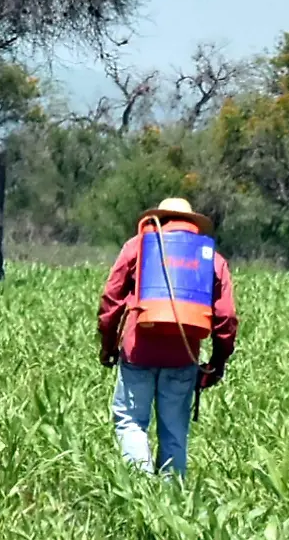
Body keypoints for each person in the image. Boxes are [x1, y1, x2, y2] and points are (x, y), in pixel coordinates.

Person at [96, 197, 238, 477]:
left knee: (131, 422)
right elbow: (227, 317)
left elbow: (111, 299)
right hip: (183, 355)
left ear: (159, 218)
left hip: (138, 350)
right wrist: (218, 362)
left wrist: (108, 344)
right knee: (174, 430)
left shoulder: (137, 246)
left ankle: (141, 491)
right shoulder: (212, 258)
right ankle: (171, 502)